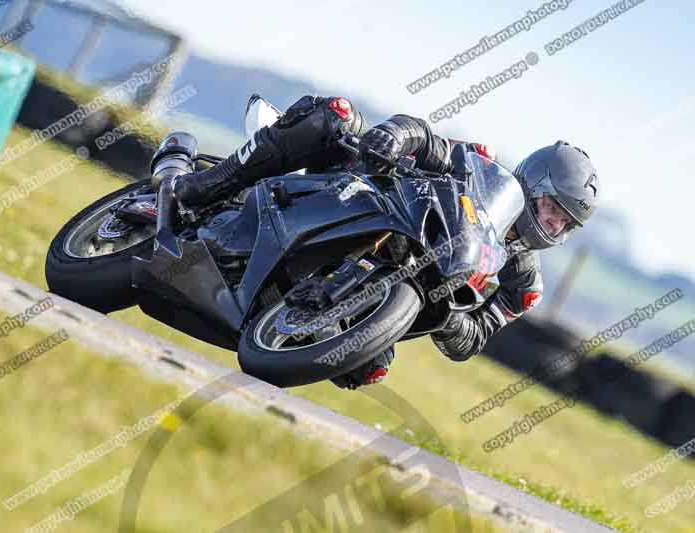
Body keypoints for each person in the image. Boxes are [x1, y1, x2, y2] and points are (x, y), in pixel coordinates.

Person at [167, 94, 600, 389]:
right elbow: (425, 137)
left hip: (387, 288)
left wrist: (449, 313)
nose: (552, 225)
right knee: (333, 113)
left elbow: (473, 340)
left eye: (564, 223)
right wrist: (394, 136)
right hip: (351, 192)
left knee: (368, 368)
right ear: (532, 182)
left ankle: (277, 314)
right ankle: (204, 186)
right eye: (552, 209)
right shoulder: (478, 168)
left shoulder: (523, 284)